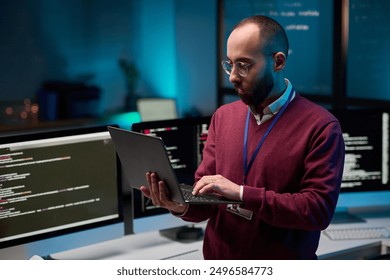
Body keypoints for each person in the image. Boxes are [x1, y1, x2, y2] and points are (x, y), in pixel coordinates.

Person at [140, 15, 345, 259]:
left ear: (278, 62)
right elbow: (206, 199)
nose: (233, 76)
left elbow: (317, 211)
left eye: (244, 65)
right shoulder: (223, 117)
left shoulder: (321, 126)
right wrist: (180, 206)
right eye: (230, 64)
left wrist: (241, 193)